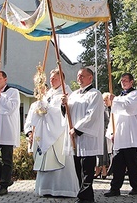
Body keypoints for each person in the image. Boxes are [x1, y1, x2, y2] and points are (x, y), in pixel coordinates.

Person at [24, 67, 79, 197]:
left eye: (55, 78)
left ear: (62, 79)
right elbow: (38, 111)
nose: (52, 80)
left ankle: (63, 189)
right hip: (45, 133)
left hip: (58, 133)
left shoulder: (66, 93)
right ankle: (46, 189)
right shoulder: (48, 94)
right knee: (45, 160)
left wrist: (47, 109)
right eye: (51, 78)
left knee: (60, 160)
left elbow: (65, 113)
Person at [61, 67, 104, 203]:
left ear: (90, 78)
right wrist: (64, 105)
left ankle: (84, 197)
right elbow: (68, 113)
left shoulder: (95, 94)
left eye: (82, 76)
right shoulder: (73, 94)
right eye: (78, 75)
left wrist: (77, 129)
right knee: (78, 169)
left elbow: (92, 115)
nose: (79, 78)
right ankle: (86, 196)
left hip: (86, 138)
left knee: (87, 170)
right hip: (75, 138)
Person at [104, 73, 137, 197]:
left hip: (131, 136)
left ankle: (135, 186)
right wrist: (112, 132)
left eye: (125, 80)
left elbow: (130, 109)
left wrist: (115, 100)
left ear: (131, 82)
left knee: (132, 164)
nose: (123, 82)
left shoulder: (135, 95)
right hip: (120, 136)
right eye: (122, 80)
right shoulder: (119, 97)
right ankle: (115, 188)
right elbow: (114, 116)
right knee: (118, 164)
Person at [94, 92, 111, 179]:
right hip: (95, 132)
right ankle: (98, 170)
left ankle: (103, 170)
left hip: (102, 132)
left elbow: (107, 120)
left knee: (102, 152)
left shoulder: (104, 109)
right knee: (97, 152)